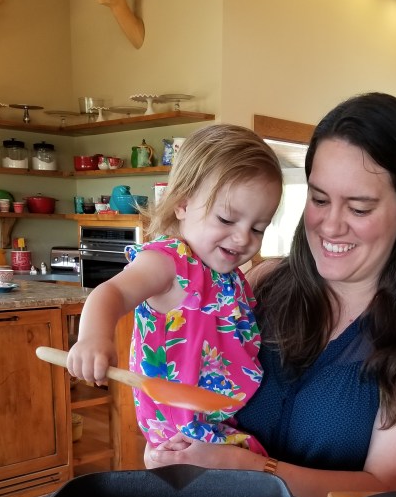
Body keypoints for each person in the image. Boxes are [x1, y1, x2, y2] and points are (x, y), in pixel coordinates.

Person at [146, 92, 396, 497]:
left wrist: (249, 467)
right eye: (319, 199)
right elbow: (187, 389)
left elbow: (389, 488)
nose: (330, 226)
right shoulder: (260, 285)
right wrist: (169, 448)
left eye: (359, 208)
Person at [66, 123, 283, 453]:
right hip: (182, 431)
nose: (243, 238)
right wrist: (93, 338)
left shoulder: (228, 275)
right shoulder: (169, 262)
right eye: (226, 220)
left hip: (221, 419)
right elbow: (113, 292)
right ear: (182, 204)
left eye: (258, 228)